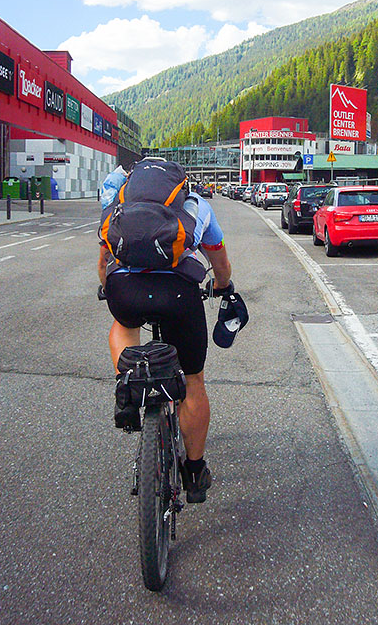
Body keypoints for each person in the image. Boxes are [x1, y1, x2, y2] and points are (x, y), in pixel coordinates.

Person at [97, 159, 232, 503]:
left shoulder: (118, 201)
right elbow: (219, 262)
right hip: (178, 296)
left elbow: (104, 259)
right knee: (193, 382)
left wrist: (107, 288)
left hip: (125, 290)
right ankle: (195, 472)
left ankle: (127, 384)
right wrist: (222, 285)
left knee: (123, 325)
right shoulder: (196, 206)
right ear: (179, 185)